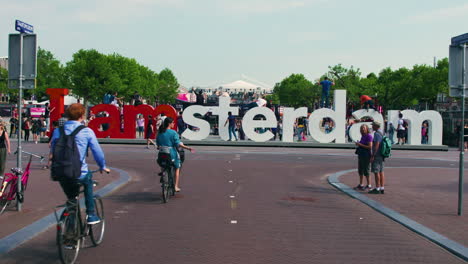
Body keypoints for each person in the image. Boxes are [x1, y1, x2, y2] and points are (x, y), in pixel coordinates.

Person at [50, 103, 110, 224]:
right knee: (88, 181)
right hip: (79, 172)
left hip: (61, 172)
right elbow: (97, 152)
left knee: (72, 199)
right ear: (82, 116)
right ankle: (91, 214)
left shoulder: (58, 131)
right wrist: (102, 166)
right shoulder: (86, 131)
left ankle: (68, 231)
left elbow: (53, 151)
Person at [156, 117, 193, 192]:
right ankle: (176, 186)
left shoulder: (160, 132)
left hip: (161, 152)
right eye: (173, 122)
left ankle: (163, 172)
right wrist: (188, 148)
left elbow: (158, 144)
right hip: (171, 153)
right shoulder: (173, 132)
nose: (174, 124)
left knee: (162, 163)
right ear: (169, 124)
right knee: (177, 167)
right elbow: (178, 144)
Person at [354, 124, 373, 191]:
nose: (363, 129)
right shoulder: (363, 136)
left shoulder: (369, 136)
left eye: (364, 128)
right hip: (361, 155)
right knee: (360, 170)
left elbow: (370, 147)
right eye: (362, 128)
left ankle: (369, 185)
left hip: (366, 155)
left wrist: (360, 144)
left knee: (366, 170)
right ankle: (361, 184)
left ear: (367, 129)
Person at [368, 121, 385, 194]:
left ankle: (377, 188)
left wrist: (373, 155)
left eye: (373, 125)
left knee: (376, 172)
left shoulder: (376, 133)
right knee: (381, 171)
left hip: (377, 155)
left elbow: (377, 144)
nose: (372, 127)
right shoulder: (382, 133)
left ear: (375, 126)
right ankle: (382, 187)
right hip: (381, 154)